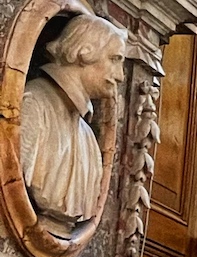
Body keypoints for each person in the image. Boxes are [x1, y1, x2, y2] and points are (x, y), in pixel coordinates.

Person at [20, 13, 127, 237]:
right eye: (114, 59)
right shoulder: (33, 105)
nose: (120, 76)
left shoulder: (88, 138)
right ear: (84, 53)